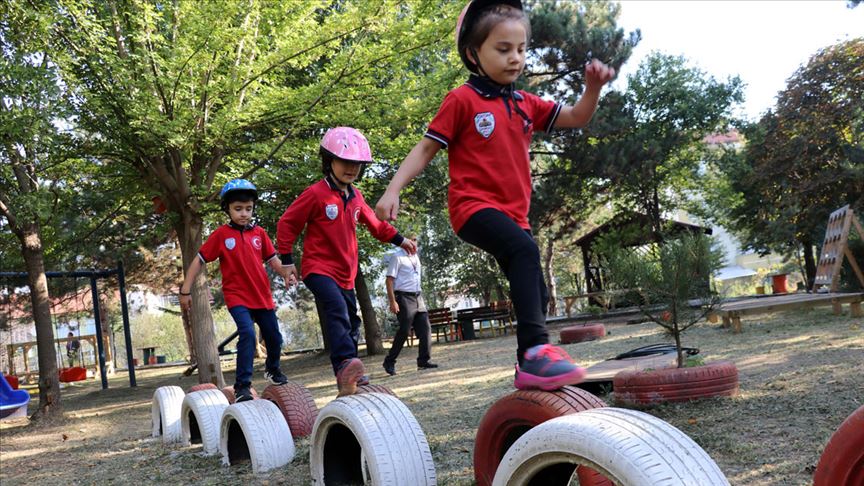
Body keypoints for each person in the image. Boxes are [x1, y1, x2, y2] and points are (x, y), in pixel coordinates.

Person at [375, 0, 615, 391]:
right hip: (472, 209)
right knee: (523, 250)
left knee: (534, 289)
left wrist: (593, 88)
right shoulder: (462, 101)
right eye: (503, 50)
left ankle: (526, 366)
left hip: (515, 218)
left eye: (521, 49)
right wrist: (392, 189)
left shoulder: (525, 104)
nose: (515, 58)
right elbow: (424, 149)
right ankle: (538, 351)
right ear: (473, 53)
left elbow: (576, 117)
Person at [277, 127, 417, 397]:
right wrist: (286, 259)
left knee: (352, 321)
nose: (351, 169)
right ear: (329, 161)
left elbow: (377, 226)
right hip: (318, 269)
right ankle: (345, 364)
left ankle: (348, 378)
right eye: (345, 162)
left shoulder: (355, 197)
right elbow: (287, 223)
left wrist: (401, 240)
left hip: (346, 273)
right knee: (337, 311)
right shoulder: (316, 194)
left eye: (357, 164)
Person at [179, 179, 291, 403]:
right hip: (237, 296)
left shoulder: (259, 233)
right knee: (248, 334)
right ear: (227, 209)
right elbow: (199, 261)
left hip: (262, 296)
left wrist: (286, 272)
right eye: (238, 209)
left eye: (248, 209)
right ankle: (242, 386)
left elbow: (273, 260)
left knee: (274, 338)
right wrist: (185, 289)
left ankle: (272, 369)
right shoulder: (221, 235)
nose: (243, 214)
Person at [382, 235, 438, 376]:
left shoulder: (416, 257)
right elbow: (389, 281)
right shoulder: (397, 257)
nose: (414, 243)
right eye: (412, 240)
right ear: (405, 242)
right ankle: (389, 361)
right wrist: (392, 301)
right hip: (404, 297)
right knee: (405, 330)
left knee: (425, 328)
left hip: (418, 295)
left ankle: (423, 361)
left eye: (416, 241)